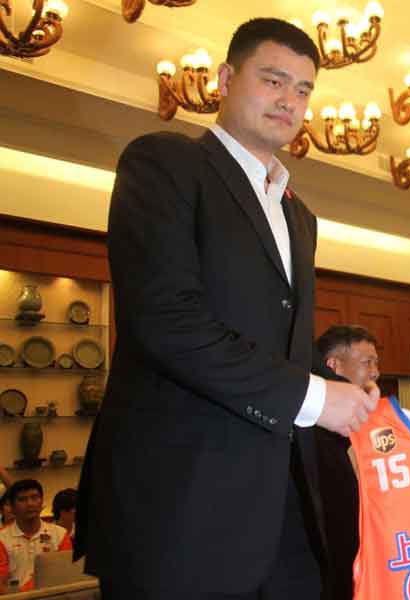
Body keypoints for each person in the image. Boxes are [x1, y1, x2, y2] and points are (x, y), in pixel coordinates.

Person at [75, 18, 377, 600]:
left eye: (304, 90)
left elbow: (283, 344)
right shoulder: (166, 163)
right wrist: (316, 397)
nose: (290, 101)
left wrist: (341, 392)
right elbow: (167, 322)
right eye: (273, 80)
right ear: (224, 79)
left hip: (286, 512)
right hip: (180, 511)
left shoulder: (300, 215)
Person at [314, 325, 380, 600]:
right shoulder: (310, 432)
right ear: (333, 366)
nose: (376, 372)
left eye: (377, 362)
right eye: (367, 362)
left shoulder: (375, 426)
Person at [0, 480, 72, 593]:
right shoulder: (2, 538)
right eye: (22, 499)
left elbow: (65, 575)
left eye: (35, 497)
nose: (30, 503)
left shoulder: (60, 534)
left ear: (42, 501)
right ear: (12, 507)